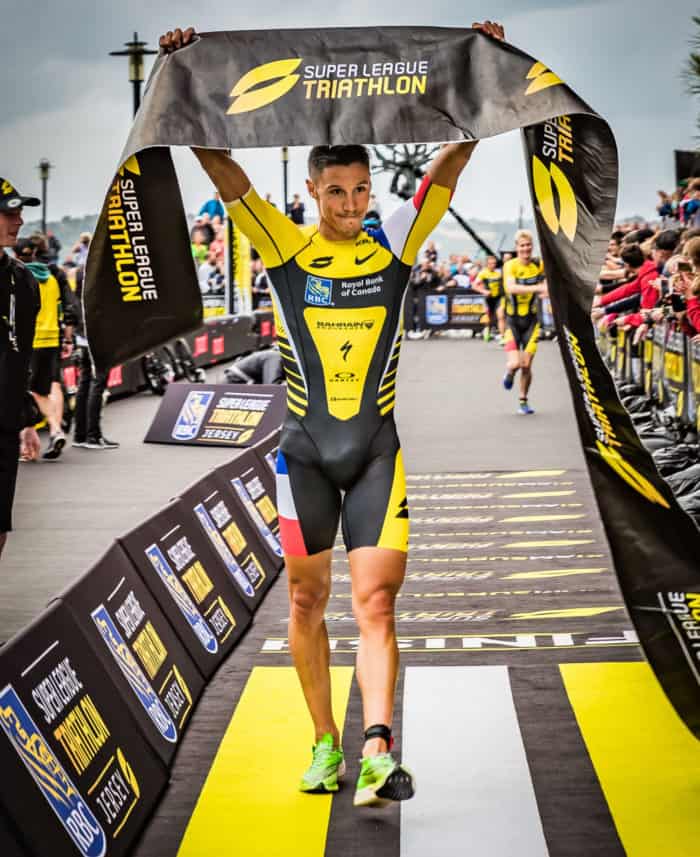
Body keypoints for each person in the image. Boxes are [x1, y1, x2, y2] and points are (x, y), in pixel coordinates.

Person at [159, 15, 505, 809]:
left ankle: (379, 745)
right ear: (312, 191)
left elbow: (446, 174)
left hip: (377, 451)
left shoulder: (395, 244)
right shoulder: (284, 248)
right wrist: (180, 75)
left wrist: (483, 70)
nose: (351, 203)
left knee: (377, 602)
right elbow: (225, 177)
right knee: (307, 603)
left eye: (360, 190)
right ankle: (325, 743)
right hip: (304, 454)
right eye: (336, 191)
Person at [0, 178, 41, 558]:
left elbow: (21, 357)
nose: (19, 221)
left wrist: (27, 419)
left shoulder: (23, 281)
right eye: (9, 213)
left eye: (19, 212)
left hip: (4, 425)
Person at [16, 239, 76, 459]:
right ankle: (51, 432)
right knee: (50, 386)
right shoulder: (51, 278)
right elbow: (67, 308)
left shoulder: (20, 277)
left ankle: (52, 429)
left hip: (31, 342)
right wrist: (67, 338)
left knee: (28, 391)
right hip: (52, 340)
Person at [502, 229, 547, 414]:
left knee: (527, 365)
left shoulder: (539, 265)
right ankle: (510, 373)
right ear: (516, 247)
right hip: (512, 322)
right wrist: (538, 288)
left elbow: (551, 284)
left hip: (532, 322)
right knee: (515, 364)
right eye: (522, 246)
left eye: (528, 245)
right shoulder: (510, 265)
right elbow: (511, 288)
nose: (525, 249)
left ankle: (523, 401)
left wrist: (547, 289)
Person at [475, 254, 504, 341]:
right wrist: (484, 291)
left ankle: (503, 337)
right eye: (491, 263)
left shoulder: (498, 273)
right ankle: (487, 329)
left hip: (498, 297)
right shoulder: (483, 273)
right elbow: (474, 285)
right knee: (489, 318)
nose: (493, 265)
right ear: (487, 264)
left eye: (494, 263)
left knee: (500, 316)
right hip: (488, 298)